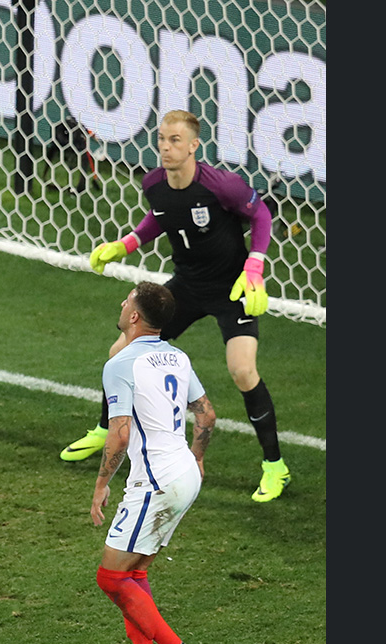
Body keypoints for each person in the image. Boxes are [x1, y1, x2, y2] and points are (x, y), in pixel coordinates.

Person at [65, 109, 291, 503]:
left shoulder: (223, 186)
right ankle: (104, 428)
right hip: (185, 286)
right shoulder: (153, 183)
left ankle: (275, 466)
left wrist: (255, 265)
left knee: (242, 370)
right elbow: (160, 217)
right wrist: (125, 244)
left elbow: (263, 216)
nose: (166, 148)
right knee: (122, 351)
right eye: (162, 140)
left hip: (230, 288)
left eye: (174, 141)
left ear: (193, 146)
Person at [90, 282, 216, 644]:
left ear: (133, 317)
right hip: (183, 473)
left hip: (157, 482)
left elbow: (120, 436)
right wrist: (197, 457)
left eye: (127, 300)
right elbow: (207, 415)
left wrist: (101, 484)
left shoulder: (121, 364)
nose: (122, 302)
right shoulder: (178, 356)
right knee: (133, 573)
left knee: (110, 577)